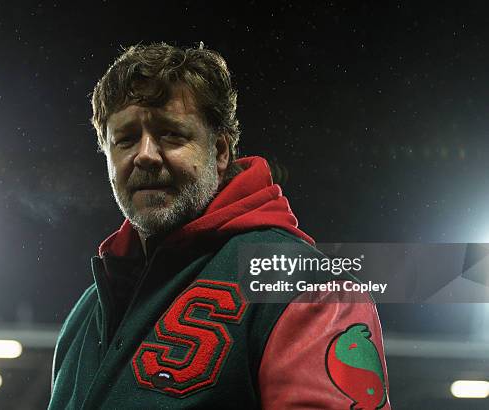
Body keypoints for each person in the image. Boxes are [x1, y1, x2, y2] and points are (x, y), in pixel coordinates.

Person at [48, 42, 391, 409]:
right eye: (126, 139)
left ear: (220, 152)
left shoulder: (305, 284)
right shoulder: (87, 312)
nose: (145, 155)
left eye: (170, 134)